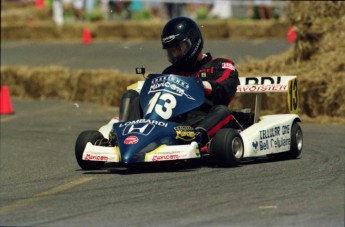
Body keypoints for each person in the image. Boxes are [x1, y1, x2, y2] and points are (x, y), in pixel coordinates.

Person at [119, 17, 239, 153]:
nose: (175, 54)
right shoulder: (170, 72)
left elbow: (226, 87)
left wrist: (203, 85)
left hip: (202, 119)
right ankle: (125, 137)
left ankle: (196, 139)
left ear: (193, 42)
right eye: (171, 50)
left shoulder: (219, 65)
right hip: (171, 122)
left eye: (178, 48)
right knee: (131, 96)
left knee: (222, 111)